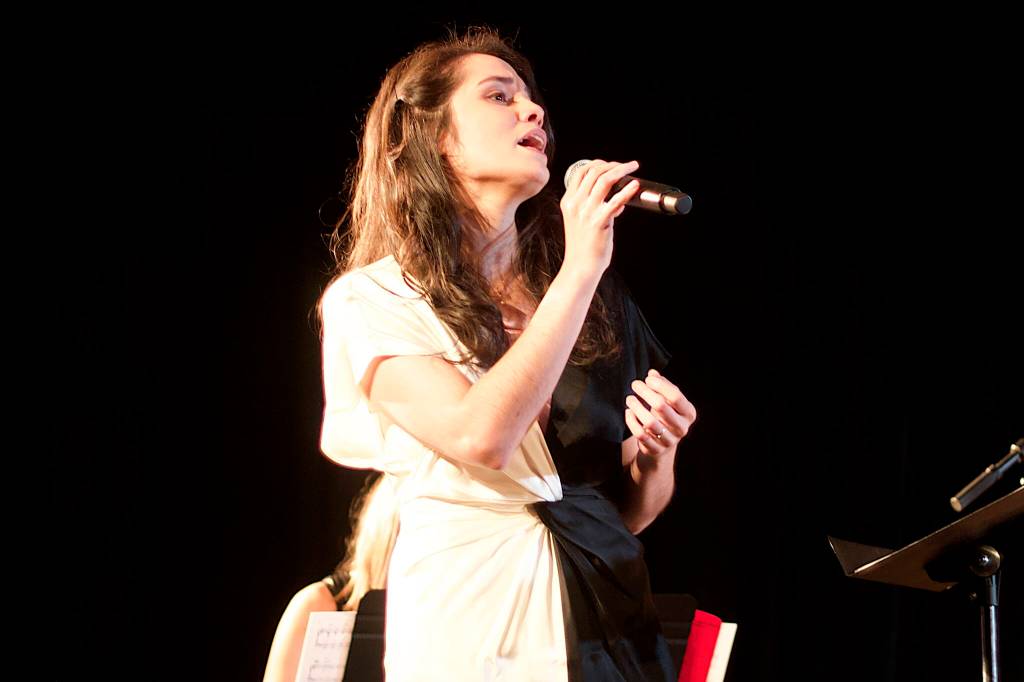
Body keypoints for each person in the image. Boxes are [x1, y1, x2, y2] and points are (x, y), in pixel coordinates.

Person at [309, 25, 697, 681]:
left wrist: (658, 456)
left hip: (608, 623)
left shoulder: (593, 302)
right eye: (499, 96)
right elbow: (481, 437)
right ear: (435, 136)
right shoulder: (374, 299)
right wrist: (581, 268)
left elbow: (622, 514)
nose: (533, 111)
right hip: (472, 622)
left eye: (531, 97)